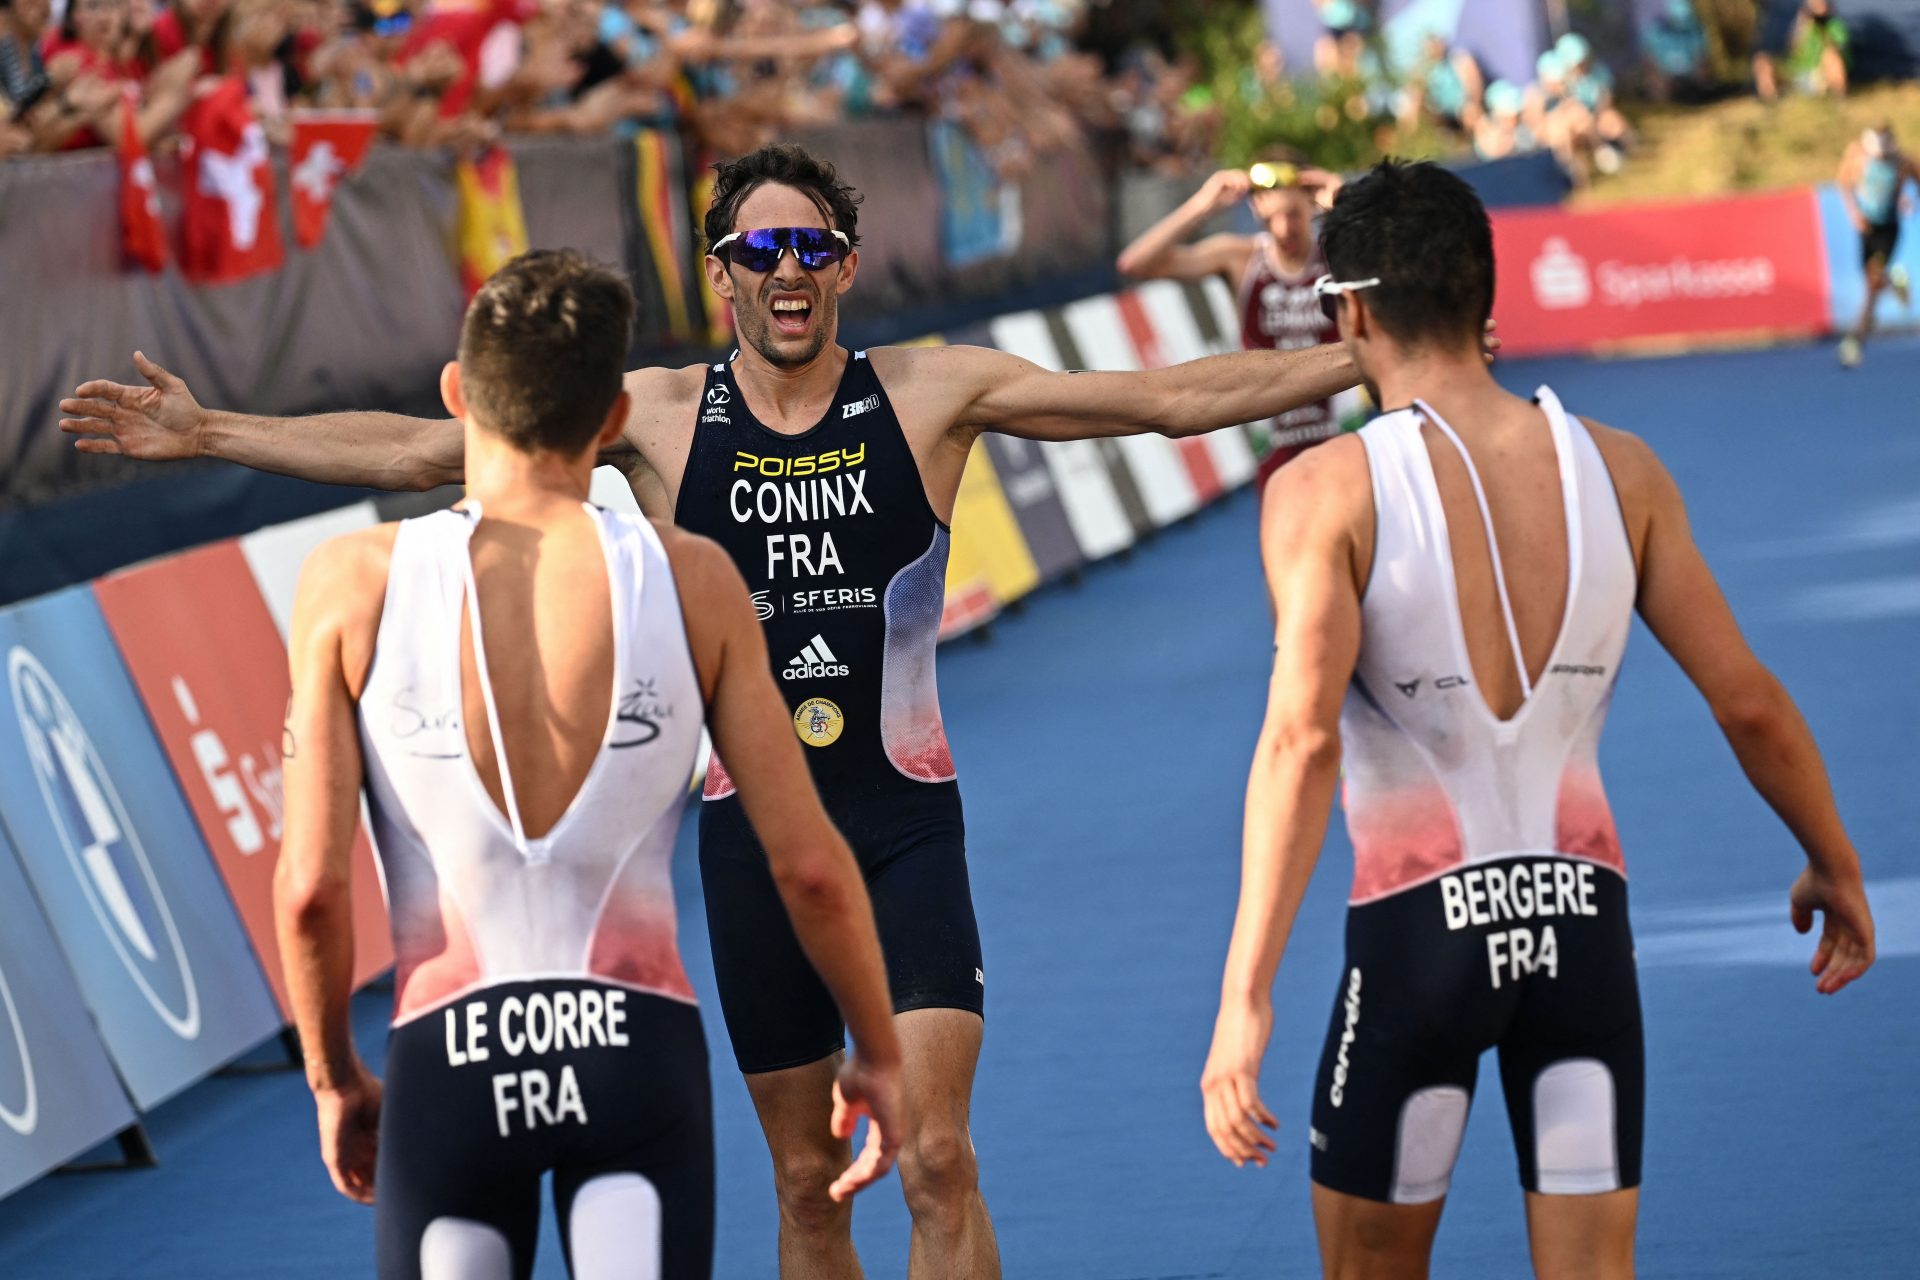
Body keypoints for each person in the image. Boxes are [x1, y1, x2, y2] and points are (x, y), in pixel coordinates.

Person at [62, 141, 1361, 1280]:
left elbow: (1162, 399)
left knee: (939, 1155)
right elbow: (417, 449)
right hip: (750, 851)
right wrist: (212, 431)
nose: (787, 270)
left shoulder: (932, 392)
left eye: (812, 246)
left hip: (905, 831)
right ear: (723, 271)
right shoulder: (669, 416)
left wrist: (1362, 357)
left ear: (844, 267)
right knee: (804, 1184)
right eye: (761, 248)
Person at [1199, 160, 1875, 1278]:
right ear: (1486, 293)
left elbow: (1301, 738)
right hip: (1583, 934)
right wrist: (1832, 858)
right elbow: (1747, 700)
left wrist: (1245, 994)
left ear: (1349, 309)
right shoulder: (1623, 468)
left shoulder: (1322, 489)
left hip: (1418, 945)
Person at [271, 249, 905, 1280]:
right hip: (635, 1054)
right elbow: (812, 866)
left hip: (451, 1060)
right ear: (612, 419)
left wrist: (334, 1078)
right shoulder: (690, 573)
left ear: (453, 393)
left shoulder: (350, 582)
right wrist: (876, 1050)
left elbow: (308, 890)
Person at [1116, 149, 1346, 493]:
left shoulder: (1341, 253)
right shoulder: (1241, 258)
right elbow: (1135, 264)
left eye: (1294, 215)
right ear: (1255, 211)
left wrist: (1346, 201)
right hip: (1275, 440)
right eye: (1271, 219)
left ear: (1312, 205)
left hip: (1339, 430)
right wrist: (1203, 205)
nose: (1283, 229)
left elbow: (1408, 258)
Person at [1836, 123, 1916, 369]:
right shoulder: (1857, 156)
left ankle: (1854, 341)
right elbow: (1844, 183)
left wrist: (1907, 201)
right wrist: (1853, 213)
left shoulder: (1902, 162)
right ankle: (1895, 283)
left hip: (1888, 229)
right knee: (1871, 284)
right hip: (1867, 228)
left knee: (1871, 286)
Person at [1755, 0, 1849, 102]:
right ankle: (1771, 102)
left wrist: (1822, 28)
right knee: (1762, 60)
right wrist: (1802, 25)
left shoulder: (1835, 25)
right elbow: (1793, 49)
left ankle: (1837, 98)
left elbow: (1840, 49)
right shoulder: (1801, 24)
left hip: (1819, 76)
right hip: (1797, 73)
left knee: (1831, 56)